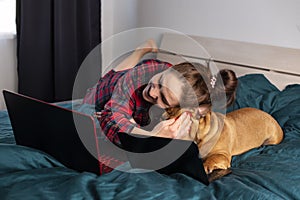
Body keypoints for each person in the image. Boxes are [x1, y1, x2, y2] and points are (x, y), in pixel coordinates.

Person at [84, 39, 238, 145]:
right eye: (160, 81)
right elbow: (111, 120)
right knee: (105, 85)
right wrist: (151, 136)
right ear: (170, 68)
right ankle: (139, 52)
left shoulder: (186, 106)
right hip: (107, 90)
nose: (153, 93)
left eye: (163, 98)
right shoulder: (145, 74)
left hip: (134, 99)